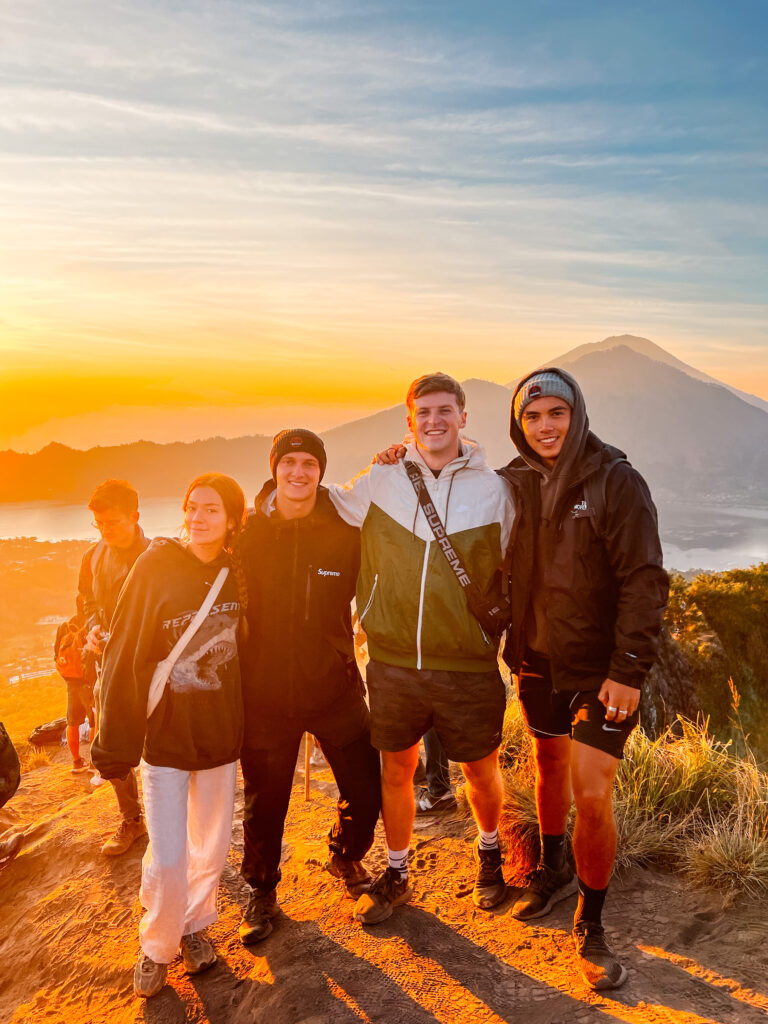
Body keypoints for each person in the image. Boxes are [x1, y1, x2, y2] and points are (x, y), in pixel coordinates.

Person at [499, 368, 668, 990]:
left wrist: (628, 671)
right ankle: (552, 868)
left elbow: (644, 579)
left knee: (592, 791)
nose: (544, 426)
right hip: (537, 660)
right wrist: (401, 455)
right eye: (533, 416)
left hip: (601, 672)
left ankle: (591, 925)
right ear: (520, 423)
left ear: (577, 415)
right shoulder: (511, 482)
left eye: (556, 414)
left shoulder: (615, 480)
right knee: (546, 766)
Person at [329, 373, 515, 924]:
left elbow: (518, 566)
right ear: (409, 421)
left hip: (468, 663)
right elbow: (324, 507)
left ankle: (489, 855)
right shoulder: (381, 479)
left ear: (463, 417)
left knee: (480, 773)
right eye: (423, 413)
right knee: (396, 771)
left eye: (444, 411)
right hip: (392, 662)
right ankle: (398, 869)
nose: (434, 421)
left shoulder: (497, 491)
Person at [91, 473, 247, 999]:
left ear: (231, 520)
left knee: (211, 848)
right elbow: (124, 654)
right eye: (193, 507)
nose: (200, 518)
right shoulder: (155, 567)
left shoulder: (237, 571)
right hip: (166, 738)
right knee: (168, 854)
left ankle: (196, 927)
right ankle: (157, 946)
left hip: (221, 736)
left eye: (212, 510)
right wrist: (114, 743)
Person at [237, 429, 381, 944]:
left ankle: (345, 853)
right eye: (290, 462)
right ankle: (261, 889)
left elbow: (383, 576)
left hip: (333, 685)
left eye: (310, 464)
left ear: (321, 471)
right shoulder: (247, 532)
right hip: (266, 692)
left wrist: (387, 461)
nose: (299, 472)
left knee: (367, 790)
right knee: (264, 802)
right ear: (275, 467)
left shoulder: (344, 529)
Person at [76, 479, 150, 855]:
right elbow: (87, 601)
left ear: (135, 517)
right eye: (99, 524)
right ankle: (132, 820)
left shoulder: (158, 558)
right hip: (108, 665)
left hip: (152, 668)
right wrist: (91, 630)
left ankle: (171, 817)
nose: (106, 531)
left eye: (113, 523)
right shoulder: (92, 557)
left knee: (159, 744)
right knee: (111, 744)